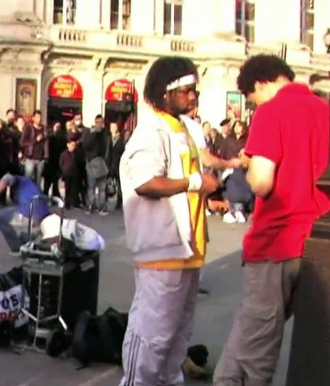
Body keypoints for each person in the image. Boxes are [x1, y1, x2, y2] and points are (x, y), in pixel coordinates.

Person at [214, 54, 330, 386]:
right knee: (254, 328)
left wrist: (250, 165)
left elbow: (262, 181)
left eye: (252, 99)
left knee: (258, 346)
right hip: (318, 239)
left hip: (277, 241)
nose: (254, 106)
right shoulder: (327, 110)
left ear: (261, 83)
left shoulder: (272, 111)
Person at [119, 56, 219, 385]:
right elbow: (145, 182)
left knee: (177, 336)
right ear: (165, 92)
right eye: (187, 91)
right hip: (161, 251)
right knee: (153, 336)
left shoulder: (182, 129)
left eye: (196, 91)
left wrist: (206, 193)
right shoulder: (152, 130)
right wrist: (194, 183)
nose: (193, 97)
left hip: (186, 250)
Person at [0, 173, 49, 256]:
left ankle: (17, 248)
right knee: (17, 215)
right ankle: (32, 239)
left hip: (29, 216)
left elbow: (5, 179)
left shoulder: (19, 180)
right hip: (42, 218)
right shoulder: (33, 184)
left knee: (1, 217)